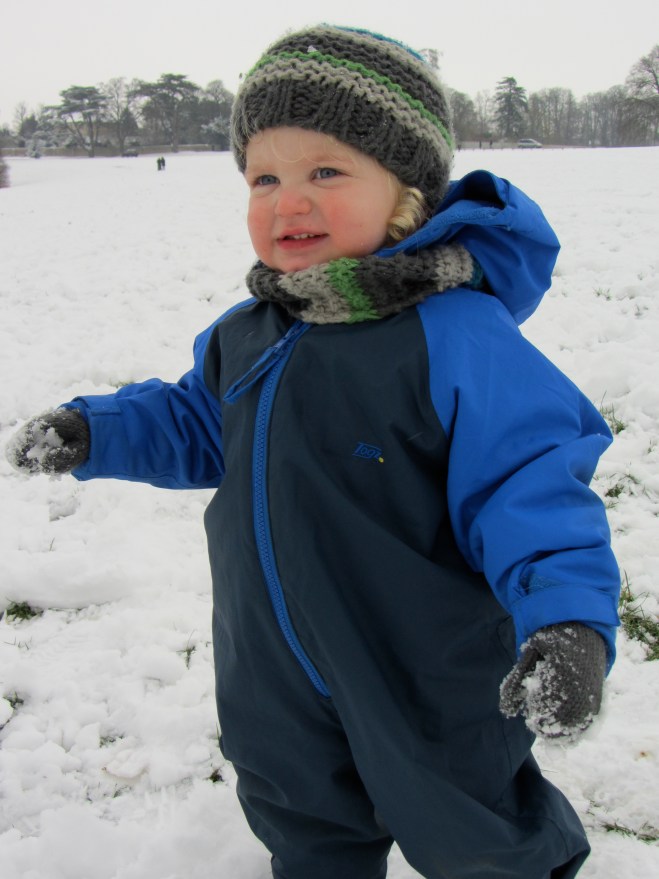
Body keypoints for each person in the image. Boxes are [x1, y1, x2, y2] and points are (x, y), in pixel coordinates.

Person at [7, 25, 620, 879]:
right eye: (265, 178)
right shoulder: (251, 332)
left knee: (470, 821)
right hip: (271, 667)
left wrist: (566, 622)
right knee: (299, 814)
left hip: (420, 670)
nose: (287, 203)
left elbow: (532, 489)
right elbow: (198, 421)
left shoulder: (456, 337)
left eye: (325, 172)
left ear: (405, 193)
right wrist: (96, 430)